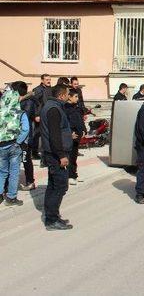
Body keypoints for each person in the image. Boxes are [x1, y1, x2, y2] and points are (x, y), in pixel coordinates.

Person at [41, 84, 74, 231]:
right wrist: (61, 155)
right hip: (56, 155)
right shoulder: (54, 109)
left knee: (53, 186)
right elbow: (54, 135)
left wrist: (68, 135)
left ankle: (52, 215)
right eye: (67, 94)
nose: (68, 96)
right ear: (61, 95)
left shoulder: (53, 106)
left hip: (53, 153)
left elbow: (58, 131)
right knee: (60, 186)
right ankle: (51, 220)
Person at [0, 85, 30, 207]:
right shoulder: (20, 113)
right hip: (14, 145)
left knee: (2, 171)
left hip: (1, 145)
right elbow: (26, 129)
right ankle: (11, 197)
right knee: (14, 172)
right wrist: (19, 141)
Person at [12, 81, 37, 191]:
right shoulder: (20, 101)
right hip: (17, 136)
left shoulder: (28, 102)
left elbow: (24, 117)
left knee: (26, 160)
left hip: (25, 137)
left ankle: (30, 182)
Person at [64, 88, 86, 186]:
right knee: (70, 157)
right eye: (75, 97)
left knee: (74, 156)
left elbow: (80, 120)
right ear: (69, 97)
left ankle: (74, 175)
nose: (77, 98)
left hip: (77, 135)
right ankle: (70, 176)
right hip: (71, 136)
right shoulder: (66, 108)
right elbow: (66, 123)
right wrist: (70, 133)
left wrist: (84, 130)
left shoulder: (76, 107)